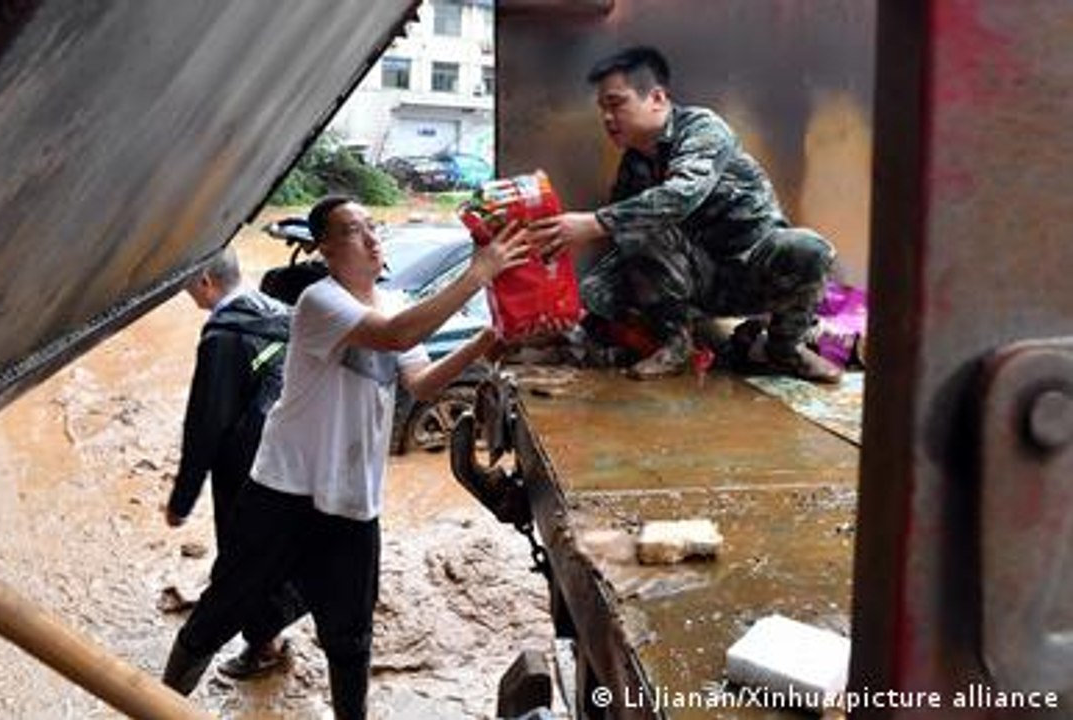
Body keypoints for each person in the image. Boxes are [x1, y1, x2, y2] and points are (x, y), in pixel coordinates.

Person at [161, 196, 530, 718]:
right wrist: (477, 275)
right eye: (356, 231)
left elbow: (421, 385)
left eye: (373, 227)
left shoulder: (395, 299)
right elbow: (395, 336)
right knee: (223, 610)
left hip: (353, 500)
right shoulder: (320, 302)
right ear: (327, 249)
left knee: (351, 636)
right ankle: (153, 703)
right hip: (282, 491)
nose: (373, 238)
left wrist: (484, 342)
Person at [528, 45, 843, 383]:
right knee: (597, 290)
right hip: (697, 279)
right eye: (602, 108)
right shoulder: (634, 164)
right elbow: (629, 242)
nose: (607, 117)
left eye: (616, 103)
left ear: (658, 98)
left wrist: (592, 223)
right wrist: (576, 299)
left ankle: (786, 348)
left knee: (809, 248)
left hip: (754, 268)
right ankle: (675, 344)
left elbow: (680, 197)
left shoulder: (703, 129)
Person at [166, 247, 304, 679]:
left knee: (243, 565)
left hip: (248, 473)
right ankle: (272, 638)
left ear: (205, 281)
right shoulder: (281, 313)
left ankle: (260, 648)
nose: (185, 293)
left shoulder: (223, 338)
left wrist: (182, 500)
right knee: (279, 553)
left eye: (187, 285)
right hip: (296, 462)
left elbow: (205, 425)